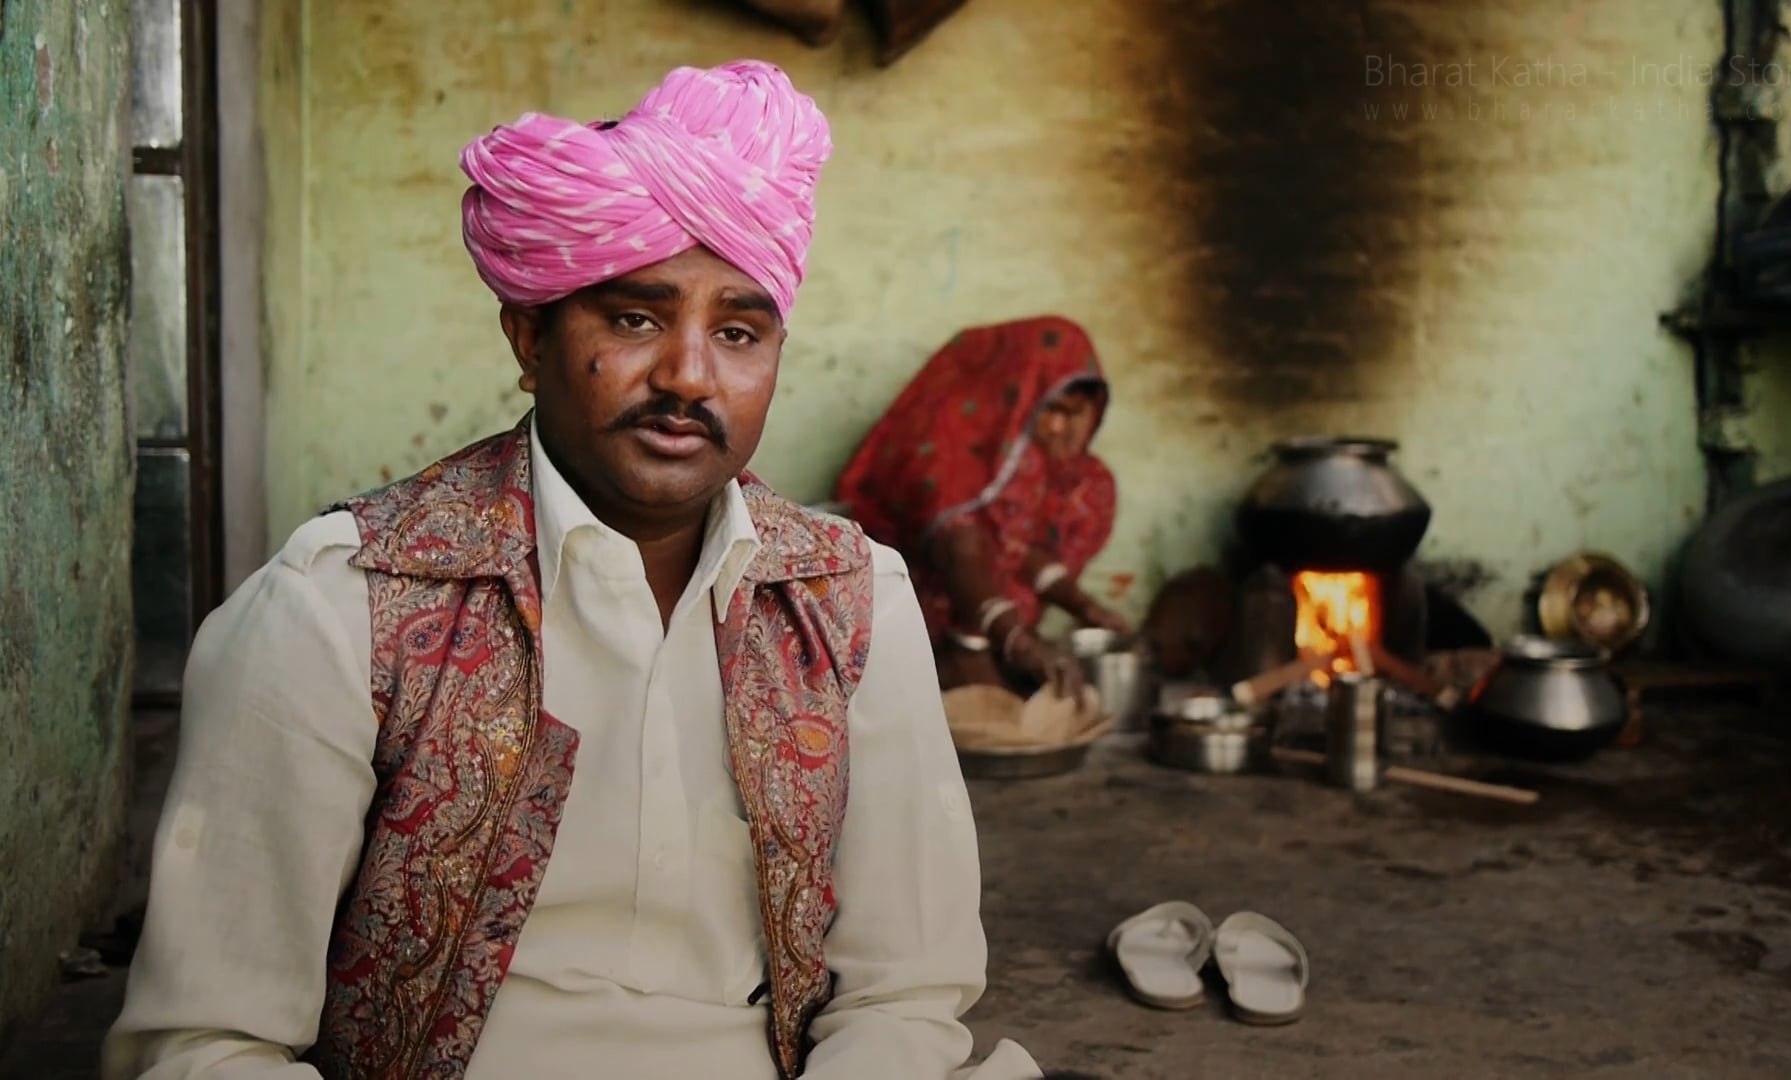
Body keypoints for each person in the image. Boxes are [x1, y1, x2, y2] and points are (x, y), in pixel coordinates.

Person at [103, 60, 1041, 1080]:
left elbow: (903, 996)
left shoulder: (855, 604)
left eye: (737, 332)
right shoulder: (341, 605)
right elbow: (205, 1043)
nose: (688, 375)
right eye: (634, 319)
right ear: (529, 334)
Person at [835, 316, 1129, 695]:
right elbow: (960, 551)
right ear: (1019, 396)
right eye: (1050, 410)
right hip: (921, 623)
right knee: (986, 716)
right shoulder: (944, 448)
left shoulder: (1060, 474)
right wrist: (1016, 642)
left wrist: (1086, 608)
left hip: (989, 624)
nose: (1057, 427)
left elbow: (1020, 550)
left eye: (1073, 414)